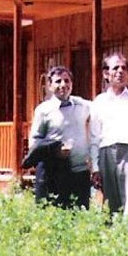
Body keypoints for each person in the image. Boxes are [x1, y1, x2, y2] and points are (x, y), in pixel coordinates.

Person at [90, 52, 128, 216]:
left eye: (124, 68)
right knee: (111, 207)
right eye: (115, 68)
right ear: (106, 73)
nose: (120, 71)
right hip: (106, 155)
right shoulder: (99, 102)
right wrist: (95, 168)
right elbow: (95, 138)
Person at [29, 66, 92, 209]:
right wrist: (55, 151)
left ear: (72, 84)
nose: (63, 85)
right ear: (50, 85)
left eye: (67, 81)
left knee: (80, 214)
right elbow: (34, 143)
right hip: (54, 172)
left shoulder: (82, 105)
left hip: (80, 172)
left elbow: (102, 111)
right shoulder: (43, 110)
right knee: (54, 213)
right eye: (58, 81)